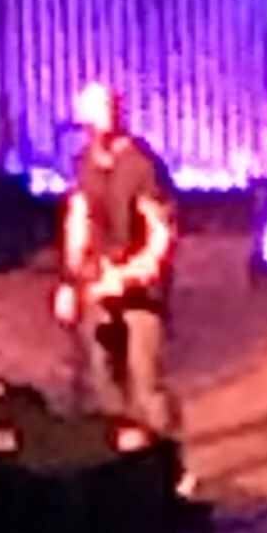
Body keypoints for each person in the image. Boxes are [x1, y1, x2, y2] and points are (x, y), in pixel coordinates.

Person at [54, 77, 178, 434]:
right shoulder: (85, 164)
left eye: (106, 112)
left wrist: (129, 276)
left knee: (145, 382)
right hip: (98, 284)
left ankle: (163, 453)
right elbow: (78, 220)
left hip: (140, 290)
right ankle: (119, 448)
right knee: (99, 377)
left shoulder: (141, 165)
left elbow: (161, 235)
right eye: (92, 116)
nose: (98, 124)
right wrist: (70, 281)